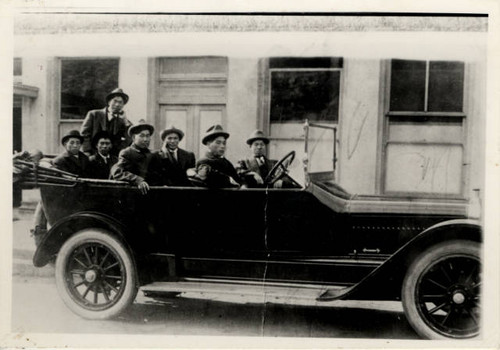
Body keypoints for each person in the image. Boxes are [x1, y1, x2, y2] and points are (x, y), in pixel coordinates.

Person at [80, 88, 132, 156]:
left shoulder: (123, 121)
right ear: (109, 102)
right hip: (93, 154)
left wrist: (125, 122)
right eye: (115, 101)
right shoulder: (94, 114)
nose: (117, 105)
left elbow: (131, 138)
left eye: (120, 102)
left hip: (113, 157)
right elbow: (84, 134)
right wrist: (87, 151)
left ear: (123, 105)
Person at [111, 120, 156, 194]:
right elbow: (117, 172)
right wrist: (138, 180)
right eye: (142, 136)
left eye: (148, 136)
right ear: (133, 137)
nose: (145, 139)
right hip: (131, 195)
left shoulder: (151, 154)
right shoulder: (127, 152)